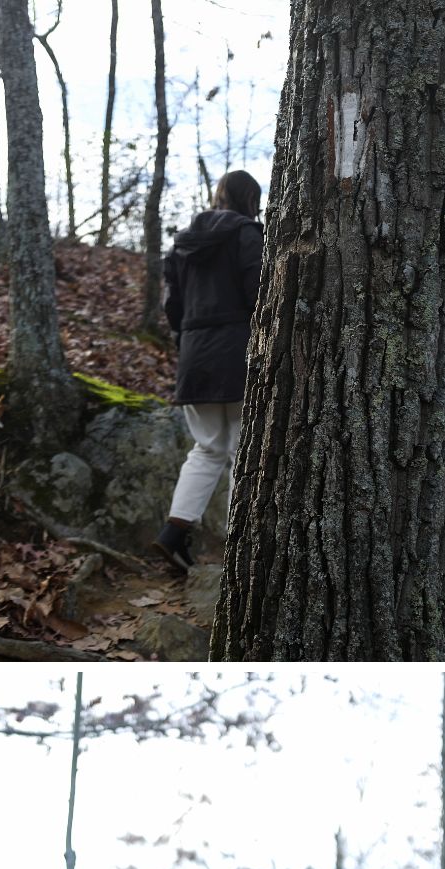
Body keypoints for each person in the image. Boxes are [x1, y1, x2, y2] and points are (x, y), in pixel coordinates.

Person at [154, 170, 264, 573]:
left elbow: (172, 307)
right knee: (242, 453)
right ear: (251, 199)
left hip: (194, 357)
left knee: (206, 449)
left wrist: (186, 342)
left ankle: (174, 533)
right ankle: (241, 550)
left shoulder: (182, 244)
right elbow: (259, 294)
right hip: (237, 353)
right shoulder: (248, 234)